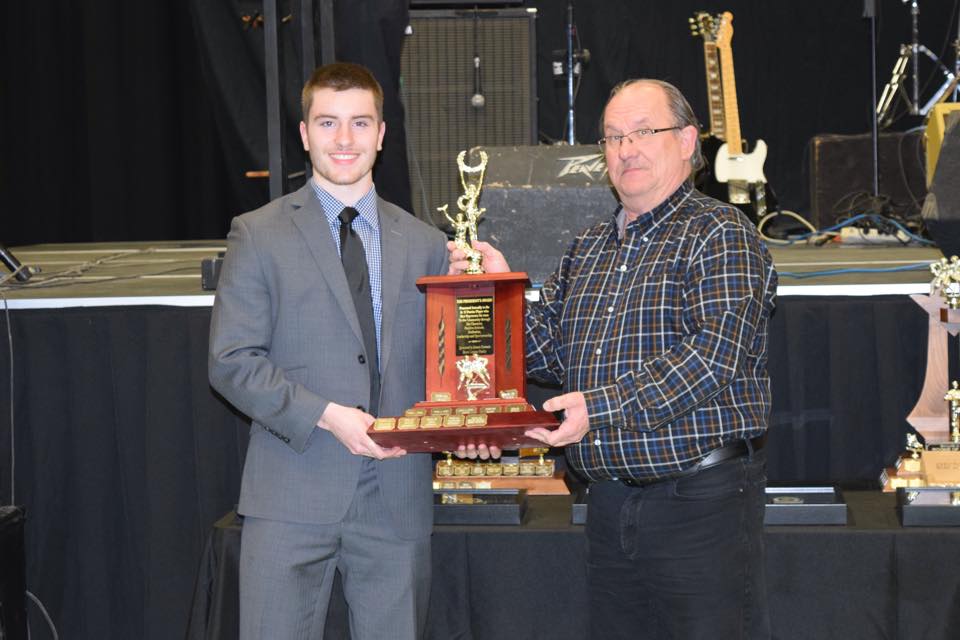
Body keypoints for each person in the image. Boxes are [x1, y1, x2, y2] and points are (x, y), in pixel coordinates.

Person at [449, 79, 777, 639]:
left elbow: (712, 357)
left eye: (643, 132)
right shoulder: (589, 247)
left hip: (699, 505)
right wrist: (494, 292)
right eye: (613, 137)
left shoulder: (721, 233)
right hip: (607, 504)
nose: (626, 149)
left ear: (687, 141)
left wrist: (597, 409)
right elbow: (546, 351)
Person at [209, 62, 448, 640]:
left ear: (381, 134)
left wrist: (483, 300)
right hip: (290, 489)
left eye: (360, 123)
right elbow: (232, 362)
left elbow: (447, 371)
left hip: (397, 496)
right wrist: (327, 415)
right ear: (304, 133)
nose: (344, 139)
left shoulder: (428, 244)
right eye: (328, 122)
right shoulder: (257, 233)